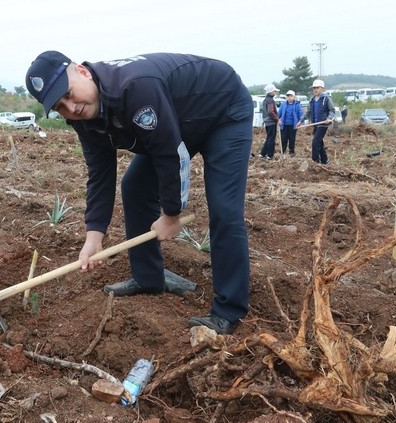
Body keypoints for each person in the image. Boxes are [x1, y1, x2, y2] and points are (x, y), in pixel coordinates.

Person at [25, 51, 253, 335]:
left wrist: (171, 215)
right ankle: (148, 277)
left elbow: (170, 153)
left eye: (69, 94)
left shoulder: (134, 87)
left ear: (82, 72)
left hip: (221, 110)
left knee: (224, 209)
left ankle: (228, 310)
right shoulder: (83, 118)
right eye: (60, 107)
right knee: (134, 187)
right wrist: (94, 236)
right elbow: (100, 172)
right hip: (176, 121)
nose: (72, 107)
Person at [305, 80, 335, 165]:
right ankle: (325, 161)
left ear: (322, 88)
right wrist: (301, 121)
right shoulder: (312, 100)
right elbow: (308, 112)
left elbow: (332, 110)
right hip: (315, 124)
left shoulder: (326, 99)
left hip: (323, 124)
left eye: (317, 88)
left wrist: (329, 118)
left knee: (315, 142)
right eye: (314, 88)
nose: (315, 89)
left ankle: (315, 162)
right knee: (319, 143)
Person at [277, 90, 304, 155]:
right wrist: (277, 120)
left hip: (293, 125)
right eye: (288, 96)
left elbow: (301, 114)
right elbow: (279, 113)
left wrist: (300, 121)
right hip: (284, 125)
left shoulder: (297, 105)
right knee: (283, 139)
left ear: (294, 97)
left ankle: (291, 152)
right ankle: (282, 152)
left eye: (291, 96)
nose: (289, 97)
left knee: (292, 139)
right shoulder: (283, 104)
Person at [257, 84, 279, 160]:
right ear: (270, 92)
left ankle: (263, 153)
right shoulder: (270, 100)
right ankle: (269, 155)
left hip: (267, 122)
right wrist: (277, 119)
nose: (275, 92)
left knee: (268, 138)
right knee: (271, 139)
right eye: (274, 91)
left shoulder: (265, 100)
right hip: (271, 122)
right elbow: (271, 112)